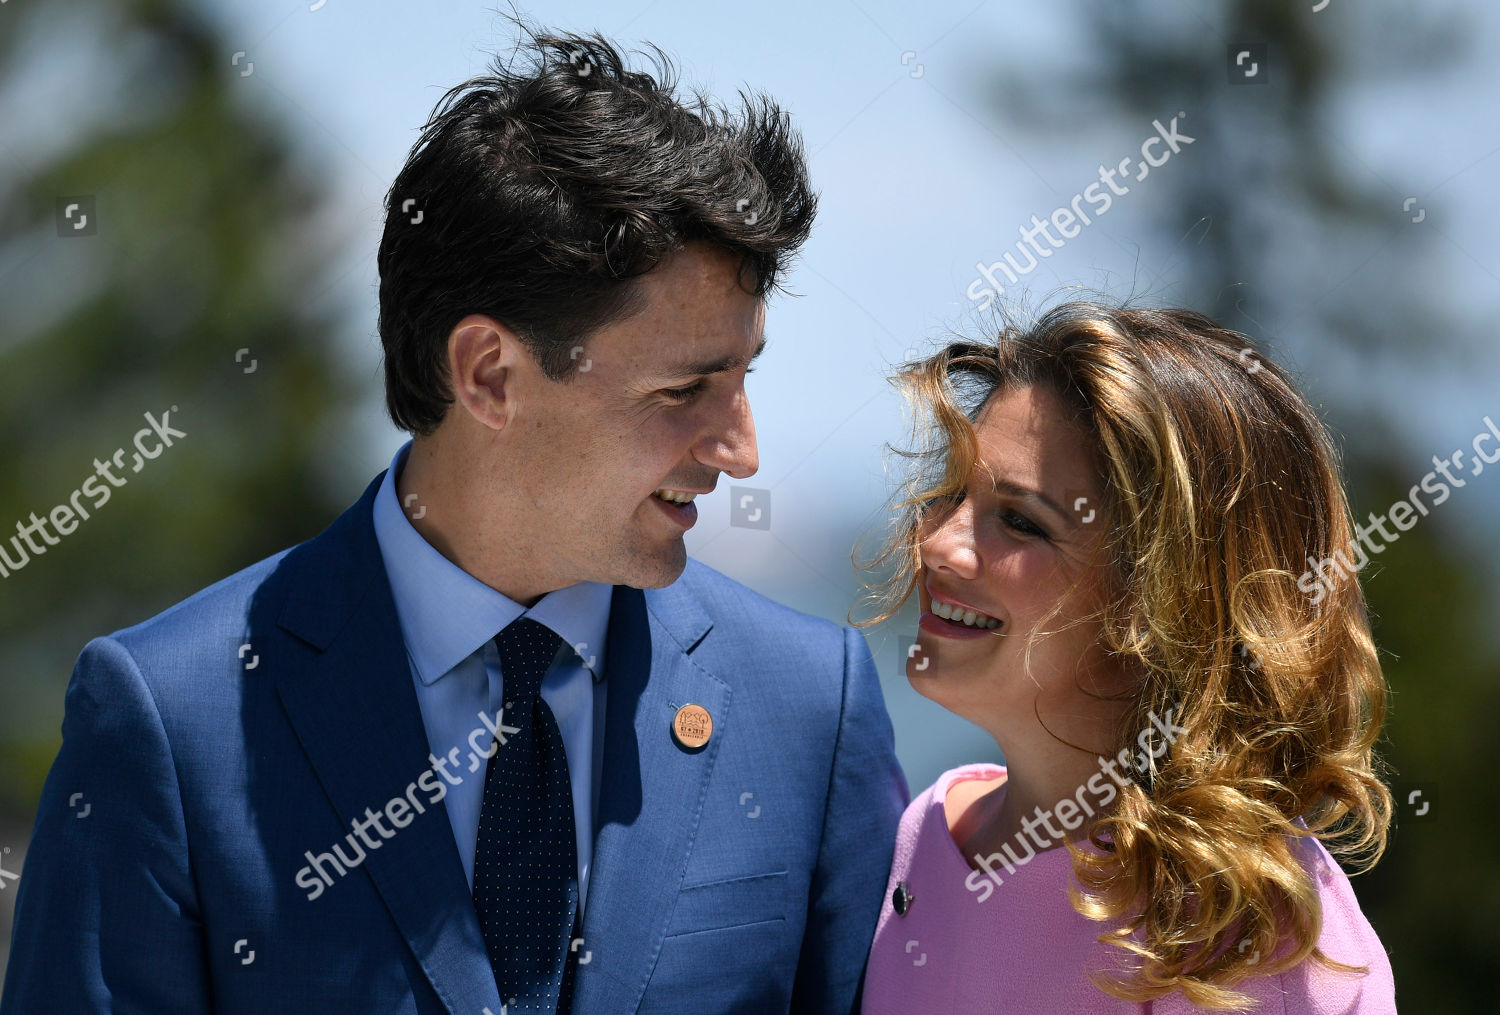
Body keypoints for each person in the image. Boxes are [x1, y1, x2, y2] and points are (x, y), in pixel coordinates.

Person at [1, 28, 906, 1014]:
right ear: (487, 375)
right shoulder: (167, 724)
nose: (743, 450)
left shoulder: (812, 708)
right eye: (686, 388)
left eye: (744, 379)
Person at [857, 303, 1395, 1012]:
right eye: (952, 493)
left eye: (1020, 521)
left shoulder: (1255, 926)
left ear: (1169, 598)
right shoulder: (925, 831)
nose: (938, 544)